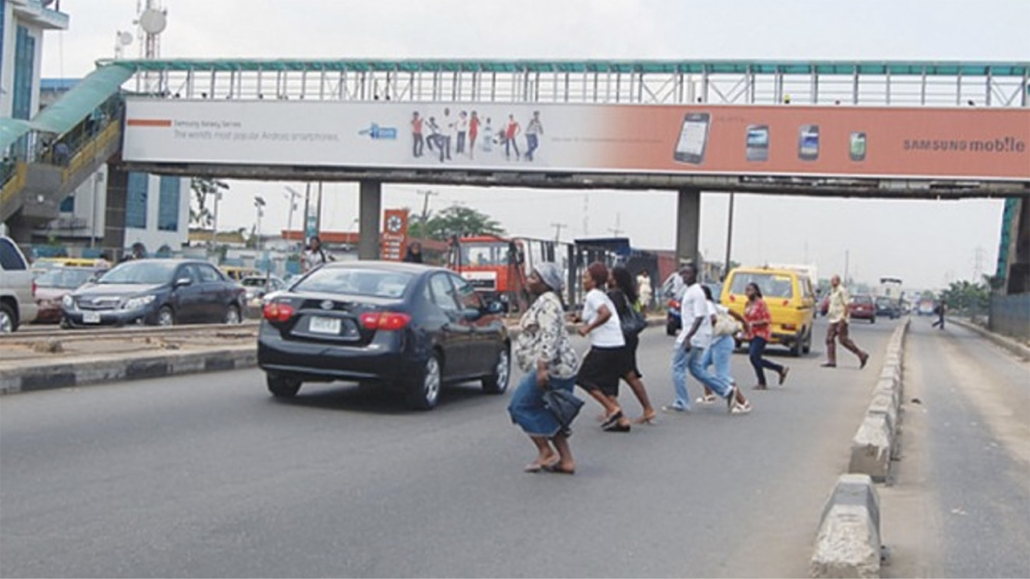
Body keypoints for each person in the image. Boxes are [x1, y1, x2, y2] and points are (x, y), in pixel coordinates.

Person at [508, 263, 580, 475]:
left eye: (533, 277)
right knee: (548, 411)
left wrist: (542, 367)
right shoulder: (545, 302)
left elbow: (550, 336)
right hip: (557, 367)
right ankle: (566, 460)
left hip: (552, 368)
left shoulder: (548, 303)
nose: (528, 280)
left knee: (519, 406)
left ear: (546, 282)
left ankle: (545, 452)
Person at [663, 264, 737, 413]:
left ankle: (681, 402)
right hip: (699, 337)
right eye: (682, 273)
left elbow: (699, 316)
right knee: (697, 369)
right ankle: (726, 390)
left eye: (688, 273)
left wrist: (688, 337)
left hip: (692, 337)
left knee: (677, 368)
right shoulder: (691, 291)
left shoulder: (696, 292)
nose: (684, 276)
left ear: (695, 275)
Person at [575, 262, 632, 432]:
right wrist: (580, 319)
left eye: (586, 277)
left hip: (605, 345)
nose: (583, 281)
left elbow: (605, 314)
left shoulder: (593, 295)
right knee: (605, 385)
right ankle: (622, 421)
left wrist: (587, 328)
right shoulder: (600, 295)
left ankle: (613, 409)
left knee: (584, 378)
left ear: (593, 281)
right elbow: (600, 314)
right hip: (616, 344)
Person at [607, 265, 657, 424]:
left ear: (615, 279)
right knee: (613, 373)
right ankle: (611, 407)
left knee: (629, 375)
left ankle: (647, 409)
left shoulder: (615, 295)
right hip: (629, 338)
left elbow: (613, 316)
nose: (607, 277)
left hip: (621, 339)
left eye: (610, 275)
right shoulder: (628, 294)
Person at [698, 285, 752, 413]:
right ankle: (709, 395)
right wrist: (744, 323)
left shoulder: (706, 304)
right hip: (715, 342)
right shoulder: (712, 304)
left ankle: (743, 402)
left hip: (721, 342)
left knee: (722, 375)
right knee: (700, 367)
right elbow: (732, 312)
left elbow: (712, 318)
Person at [744, 282, 790, 389]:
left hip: (761, 333)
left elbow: (767, 320)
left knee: (754, 356)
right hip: (751, 334)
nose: (747, 292)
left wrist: (754, 324)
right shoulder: (747, 304)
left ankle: (762, 381)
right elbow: (746, 318)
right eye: (746, 290)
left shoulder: (761, 304)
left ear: (756, 291)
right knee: (755, 358)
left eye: (750, 290)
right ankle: (779, 369)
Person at [822, 274, 870, 368]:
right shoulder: (833, 291)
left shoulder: (842, 291)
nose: (832, 282)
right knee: (829, 339)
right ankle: (831, 361)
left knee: (843, 340)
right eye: (831, 280)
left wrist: (843, 319)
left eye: (834, 280)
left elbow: (847, 305)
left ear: (838, 281)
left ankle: (861, 355)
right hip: (833, 319)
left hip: (840, 319)